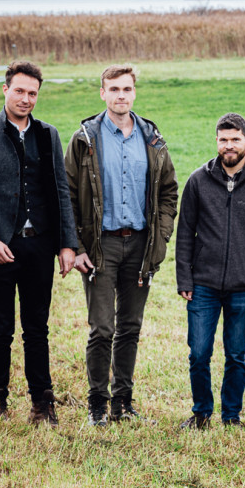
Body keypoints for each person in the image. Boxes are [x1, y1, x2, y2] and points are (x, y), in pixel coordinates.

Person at [64, 65, 178, 427]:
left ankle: (123, 403)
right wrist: (77, 245)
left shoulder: (152, 138)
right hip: (101, 247)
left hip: (141, 245)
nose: (121, 96)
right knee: (102, 328)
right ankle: (97, 403)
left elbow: (168, 192)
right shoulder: (86, 138)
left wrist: (160, 237)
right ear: (102, 93)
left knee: (130, 326)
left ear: (134, 93)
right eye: (113, 89)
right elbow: (67, 195)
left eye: (127, 89)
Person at [0, 61, 77, 427]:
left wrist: (66, 244)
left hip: (39, 247)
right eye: (20, 91)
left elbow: (61, 190)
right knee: (1, 327)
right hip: (0, 247)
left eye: (32, 93)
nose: (26, 99)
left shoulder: (48, 134)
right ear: (5, 90)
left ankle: (42, 403)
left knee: (37, 327)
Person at [175, 113, 245, 429]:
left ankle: (231, 415)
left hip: (242, 285)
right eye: (223, 139)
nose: (229, 145)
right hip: (203, 284)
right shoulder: (198, 180)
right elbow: (185, 232)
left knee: (236, 355)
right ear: (217, 141)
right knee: (198, 353)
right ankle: (201, 413)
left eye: (235, 139)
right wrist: (185, 276)